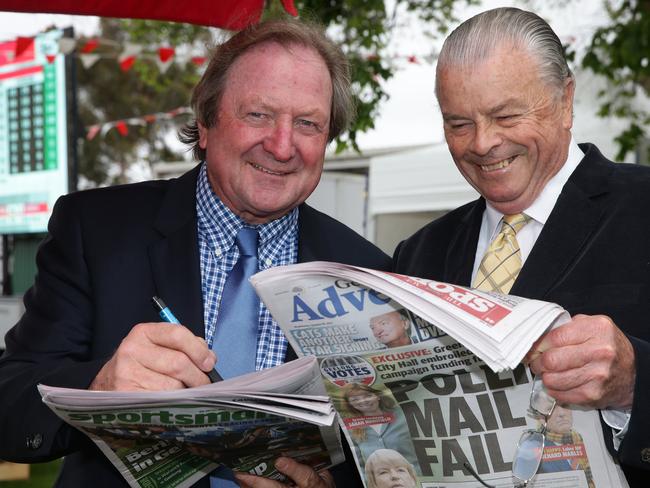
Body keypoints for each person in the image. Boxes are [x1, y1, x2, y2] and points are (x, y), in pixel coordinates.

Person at [0, 19, 390, 488]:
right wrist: (99, 387)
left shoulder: (367, 270)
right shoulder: (97, 230)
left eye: (307, 123)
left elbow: (384, 442)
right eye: (258, 115)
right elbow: (11, 405)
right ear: (205, 123)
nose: (283, 145)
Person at [392, 7, 650, 487]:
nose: (484, 143)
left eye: (505, 115)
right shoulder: (418, 255)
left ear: (566, 101)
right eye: (458, 124)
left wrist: (635, 385)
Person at [341, 383, 420, 475]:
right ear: (350, 404)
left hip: (417, 475)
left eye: (368, 396)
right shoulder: (351, 427)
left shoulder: (402, 414)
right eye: (355, 399)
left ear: (378, 396)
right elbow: (358, 463)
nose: (363, 401)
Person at [539, 405, 595, 488]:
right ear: (542, 419)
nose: (561, 413)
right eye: (551, 409)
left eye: (564, 406)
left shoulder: (579, 438)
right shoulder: (537, 450)